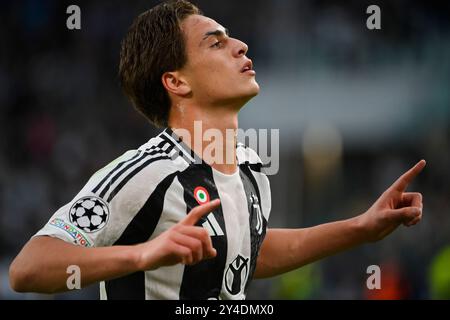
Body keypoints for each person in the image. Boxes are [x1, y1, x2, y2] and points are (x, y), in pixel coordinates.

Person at [9, 0, 425, 300]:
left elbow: (248, 249)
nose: (241, 45)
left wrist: (361, 228)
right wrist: (143, 253)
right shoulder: (146, 174)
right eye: (216, 43)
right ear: (177, 83)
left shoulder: (250, 168)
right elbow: (29, 268)